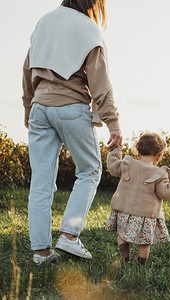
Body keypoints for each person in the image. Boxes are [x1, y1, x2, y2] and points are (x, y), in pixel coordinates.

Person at [22, 0, 122, 265]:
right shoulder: (89, 28)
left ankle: (41, 252)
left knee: (41, 182)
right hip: (71, 107)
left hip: (40, 106)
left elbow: (27, 67)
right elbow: (101, 81)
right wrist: (113, 122)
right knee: (89, 171)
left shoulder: (45, 21)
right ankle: (70, 235)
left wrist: (27, 106)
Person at [105, 132, 170, 265]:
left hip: (124, 210)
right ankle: (141, 265)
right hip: (146, 216)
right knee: (144, 242)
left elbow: (113, 166)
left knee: (122, 234)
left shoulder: (128, 164)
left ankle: (125, 257)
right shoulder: (159, 173)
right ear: (159, 156)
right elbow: (164, 192)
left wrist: (116, 149)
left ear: (138, 151)